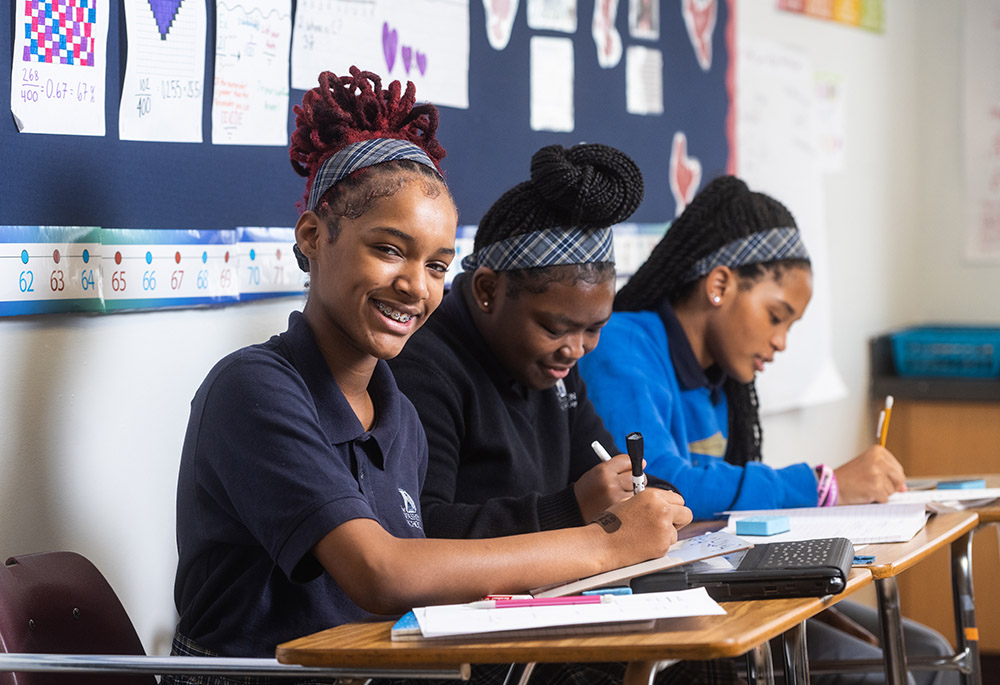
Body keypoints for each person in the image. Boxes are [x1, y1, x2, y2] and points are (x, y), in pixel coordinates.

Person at [164, 68, 691, 685]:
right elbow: (383, 572)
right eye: (390, 249)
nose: (416, 286)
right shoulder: (254, 389)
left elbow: (428, 581)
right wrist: (606, 541)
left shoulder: (397, 415)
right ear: (314, 235)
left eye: (438, 265)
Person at [577, 174, 955, 685]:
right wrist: (824, 485)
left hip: (720, 579)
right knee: (894, 672)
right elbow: (658, 481)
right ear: (719, 285)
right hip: (658, 599)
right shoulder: (622, 345)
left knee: (928, 650)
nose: (780, 342)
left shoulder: (718, 382)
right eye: (777, 317)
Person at [388, 143, 729, 684]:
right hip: (475, 647)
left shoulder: (553, 373)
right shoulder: (424, 368)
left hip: (550, 618)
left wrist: (649, 498)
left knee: (717, 657)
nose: (576, 349)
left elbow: (613, 467)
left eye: (593, 329)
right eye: (556, 327)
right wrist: (571, 507)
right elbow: (419, 533)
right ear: (486, 291)